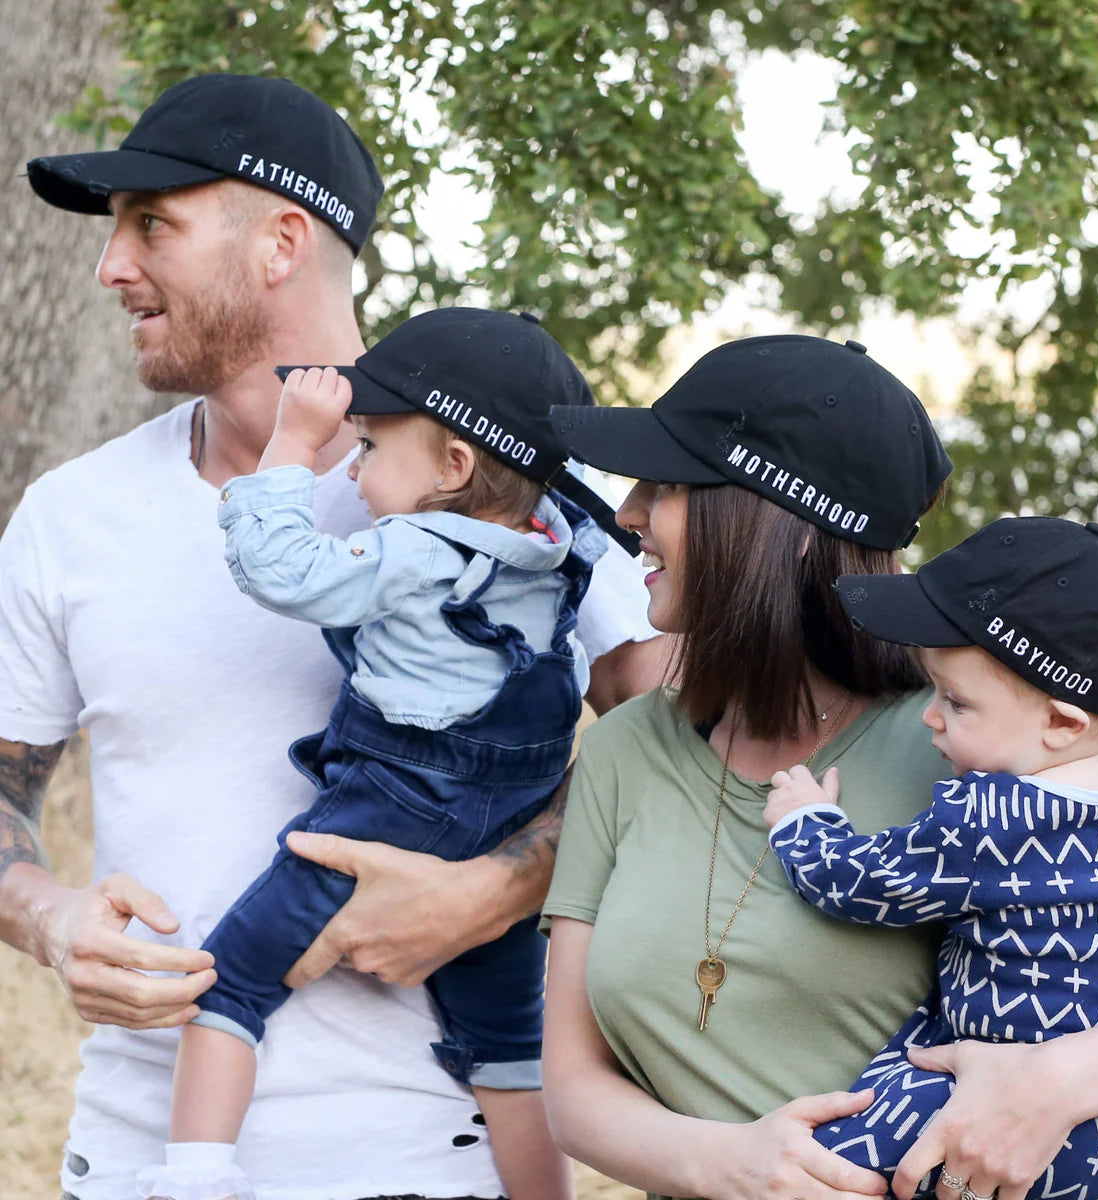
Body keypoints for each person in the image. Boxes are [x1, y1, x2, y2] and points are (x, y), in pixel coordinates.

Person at [1, 73, 664, 1200]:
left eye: (150, 224)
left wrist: (501, 887)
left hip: (434, 1164)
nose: (112, 266)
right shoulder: (70, 515)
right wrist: (55, 919)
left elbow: (698, 754)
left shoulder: (511, 484)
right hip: (138, 1166)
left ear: (281, 242)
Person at [539, 336, 1098, 1200]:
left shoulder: (970, 750)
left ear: (772, 525)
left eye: (665, 486)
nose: (628, 511)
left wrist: (1060, 1084)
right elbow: (573, 1086)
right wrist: (732, 1165)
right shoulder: (624, 752)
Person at [141, 307, 608, 1200]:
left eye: (369, 449)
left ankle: (194, 1179)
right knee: (510, 1043)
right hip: (505, 820)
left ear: (453, 468)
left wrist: (292, 443)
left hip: (395, 804)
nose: (351, 470)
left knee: (230, 985)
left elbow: (278, 569)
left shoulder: (412, 549)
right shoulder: (552, 549)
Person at [764, 515, 1098, 1200]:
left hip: (984, 1099)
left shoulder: (990, 820)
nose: (929, 716)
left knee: (819, 1165)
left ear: (1061, 722)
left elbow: (859, 883)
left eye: (955, 702)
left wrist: (804, 822)